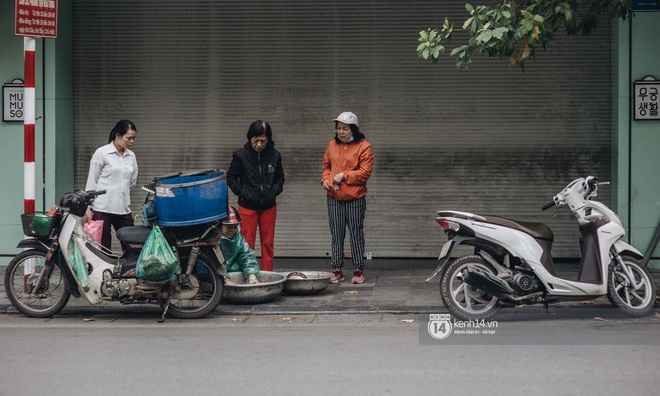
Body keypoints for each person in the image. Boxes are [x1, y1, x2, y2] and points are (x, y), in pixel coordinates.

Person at [321, 111, 374, 284]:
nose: (341, 132)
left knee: (356, 234)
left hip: (355, 198)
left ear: (354, 129)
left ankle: (358, 269)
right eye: (338, 128)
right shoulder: (332, 145)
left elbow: (364, 174)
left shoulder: (364, 147)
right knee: (336, 234)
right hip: (334, 197)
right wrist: (325, 180)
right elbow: (326, 166)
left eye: (345, 129)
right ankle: (337, 269)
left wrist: (344, 176)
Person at [227, 120, 285, 272]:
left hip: (269, 206)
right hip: (247, 206)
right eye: (256, 140)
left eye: (263, 141)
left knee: (268, 243)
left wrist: (274, 191)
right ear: (250, 138)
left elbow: (280, 178)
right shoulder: (240, 155)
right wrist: (243, 192)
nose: (259, 144)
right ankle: (249, 273)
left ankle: (268, 274)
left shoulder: (275, 155)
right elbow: (231, 178)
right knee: (247, 243)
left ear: (268, 139)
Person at [85, 119, 138, 250]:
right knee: (103, 247)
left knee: (131, 245)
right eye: (129, 138)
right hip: (102, 208)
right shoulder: (102, 153)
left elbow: (132, 182)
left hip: (123, 208)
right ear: (118, 135)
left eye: (133, 138)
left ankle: (128, 270)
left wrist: (120, 191)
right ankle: (105, 271)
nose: (132, 141)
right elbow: (92, 181)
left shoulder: (131, 156)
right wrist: (89, 207)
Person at [219, 206, 260, 285]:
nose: (232, 230)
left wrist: (251, 275)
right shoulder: (213, 239)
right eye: (229, 227)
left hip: (231, 273)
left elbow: (247, 256)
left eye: (235, 227)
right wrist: (224, 278)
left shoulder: (238, 239)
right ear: (220, 225)